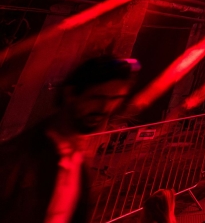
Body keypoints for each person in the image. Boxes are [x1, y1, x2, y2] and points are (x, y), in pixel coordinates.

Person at [0, 55, 139, 223]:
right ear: (70, 94)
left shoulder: (77, 159)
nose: (105, 108)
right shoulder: (17, 159)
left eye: (115, 99)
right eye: (97, 98)